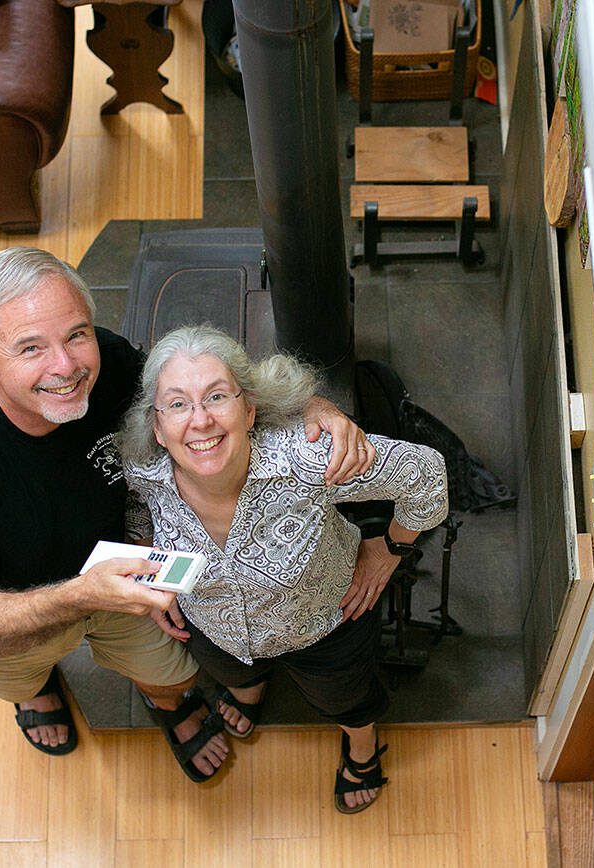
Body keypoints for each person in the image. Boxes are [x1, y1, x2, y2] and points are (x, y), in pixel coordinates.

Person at [0, 247, 374, 781]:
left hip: (119, 571)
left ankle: (169, 707)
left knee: (172, 671)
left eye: (76, 334)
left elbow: (205, 390)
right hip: (5, 610)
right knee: (22, 676)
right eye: (31, 347)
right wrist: (81, 593)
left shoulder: (111, 365)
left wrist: (314, 408)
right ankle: (40, 692)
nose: (67, 367)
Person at [116, 324, 448, 813]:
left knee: (347, 700)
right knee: (233, 675)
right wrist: (152, 574)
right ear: (159, 428)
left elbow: (427, 475)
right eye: (179, 404)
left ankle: (361, 749)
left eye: (216, 396)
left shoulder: (307, 459)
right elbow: (138, 510)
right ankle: (249, 692)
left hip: (328, 623)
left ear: (249, 409)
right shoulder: (145, 471)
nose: (201, 420)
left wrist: (388, 549)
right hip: (215, 626)